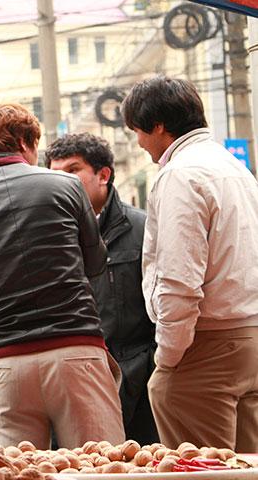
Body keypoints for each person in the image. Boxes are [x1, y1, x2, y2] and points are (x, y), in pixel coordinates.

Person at [0, 103, 124, 449]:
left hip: (1, 364)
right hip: (76, 354)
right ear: (24, 143)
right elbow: (95, 263)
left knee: (15, 473)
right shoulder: (67, 187)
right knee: (100, 470)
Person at [122, 75, 258, 451]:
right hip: (249, 338)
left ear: (159, 127)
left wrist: (168, 356)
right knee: (246, 467)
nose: (138, 141)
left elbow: (179, 280)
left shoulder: (181, 174)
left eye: (138, 130)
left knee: (203, 469)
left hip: (207, 342)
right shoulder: (234, 168)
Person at [46, 133, 159, 444]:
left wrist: (155, 365)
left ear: (103, 175)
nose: (62, 183)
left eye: (72, 171)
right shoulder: (49, 236)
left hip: (142, 382)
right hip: (76, 381)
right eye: (54, 175)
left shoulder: (143, 228)